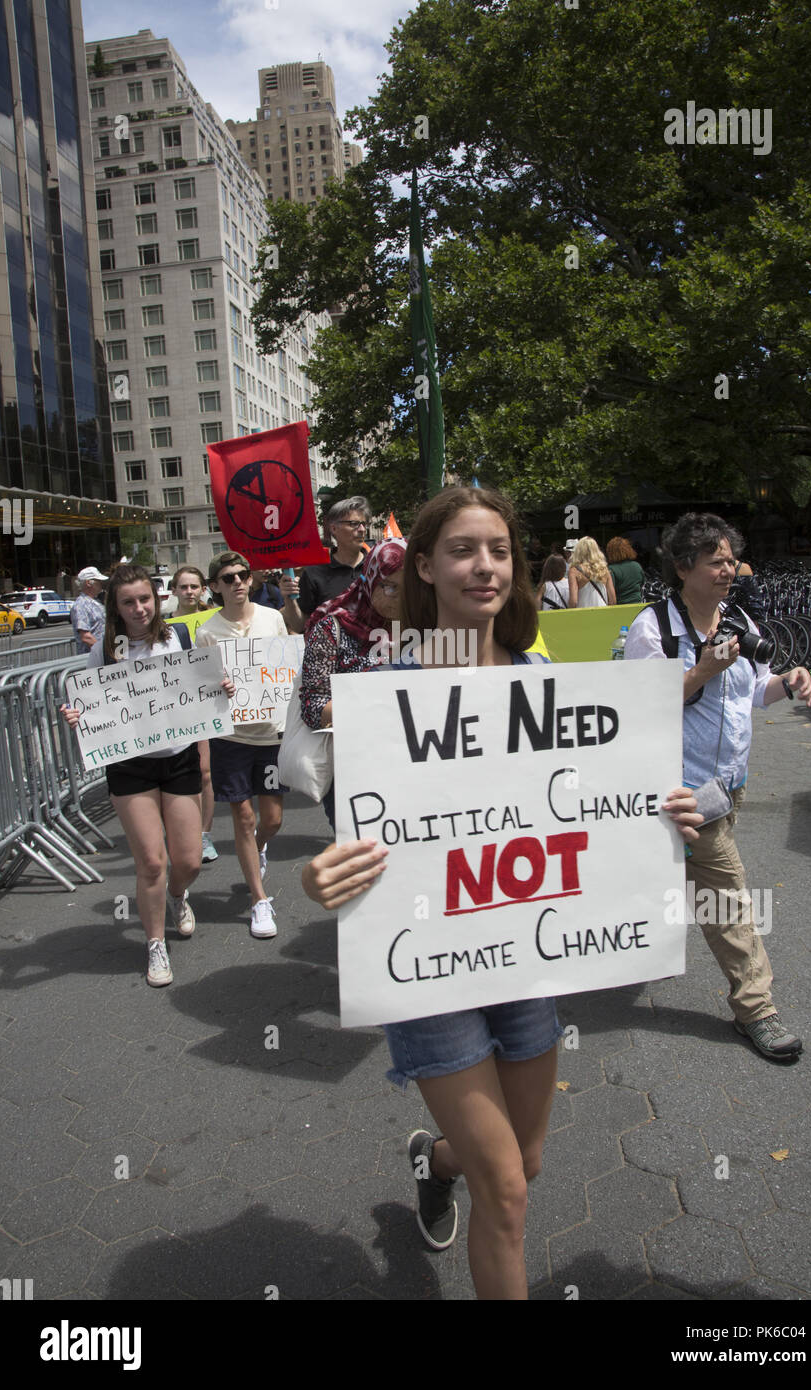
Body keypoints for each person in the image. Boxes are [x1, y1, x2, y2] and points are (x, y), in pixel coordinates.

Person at [300, 485, 702, 1299]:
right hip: (432, 964)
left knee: (528, 1161)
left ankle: (433, 1159)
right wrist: (323, 877)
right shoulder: (391, 692)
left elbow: (594, 799)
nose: (483, 565)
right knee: (510, 1192)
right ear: (424, 566)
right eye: (461, 549)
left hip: (526, 955)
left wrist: (658, 813)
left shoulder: (543, 674)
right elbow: (362, 835)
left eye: (499, 550)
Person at [624, 513, 811, 1060]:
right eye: (716, 561)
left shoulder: (738, 619)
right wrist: (701, 670)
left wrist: (789, 682)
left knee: (684, 884)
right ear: (684, 568)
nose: (729, 569)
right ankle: (758, 1010)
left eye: (731, 559)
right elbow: (644, 711)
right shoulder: (652, 629)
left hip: (731, 784)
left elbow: (756, 692)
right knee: (729, 899)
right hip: (682, 792)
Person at [60, 565, 234, 987]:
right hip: (129, 765)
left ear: (155, 600)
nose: (138, 608)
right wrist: (75, 715)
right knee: (152, 862)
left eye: (144, 599)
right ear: (115, 607)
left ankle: (179, 896)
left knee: (189, 860)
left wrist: (222, 687)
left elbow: (201, 686)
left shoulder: (177, 638)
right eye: (128, 602)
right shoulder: (104, 650)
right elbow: (88, 701)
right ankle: (155, 943)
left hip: (177, 759)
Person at [195, 552, 290, 939]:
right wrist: (218, 687)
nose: (237, 582)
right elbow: (201, 685)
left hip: (271, 734)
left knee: (272, 820)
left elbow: (288, 668)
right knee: (244, 818)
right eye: (228, 577)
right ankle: (258, 901)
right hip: (232, 737)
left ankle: (259, 847)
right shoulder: (207, 631)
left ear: (251, 579)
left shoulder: (273, 618)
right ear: (215, 586)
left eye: (243, 575)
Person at [299, 540, 407, 828]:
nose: (401, 598)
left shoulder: (425, 629)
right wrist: (373, 709)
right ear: (370, 581)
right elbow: (313, 705)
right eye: (391, 587)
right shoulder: (332, 627)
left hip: (411, 763)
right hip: (353, 768)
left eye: (412, 589)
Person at [168, 567, 221, 862]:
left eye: (194, 586)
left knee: (204, 771)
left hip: (203, 701)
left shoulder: (214, 621)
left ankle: (204, 834)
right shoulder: (163, 626)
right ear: (174, 590)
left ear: (203, 589)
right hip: (173, 705)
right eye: (183, 586)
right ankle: (181, 834)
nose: (189, 591)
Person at [298, 497, 371, 621]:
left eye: (364, 524)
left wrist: (396, 638)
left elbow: (394, 614)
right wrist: (289, 599)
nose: (362, 530)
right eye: (354, 524)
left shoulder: (377, 567)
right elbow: (300, 625)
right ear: (333, 528)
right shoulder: (313, 574)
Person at [567, 537, 616, 608]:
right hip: (603, 612)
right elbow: (612, 600)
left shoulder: (574, 571)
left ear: (578, 551)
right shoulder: (604, 570)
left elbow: (573, 601)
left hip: (584, 614)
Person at [69, 567, 107, 653]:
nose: (101, 584)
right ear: (88, 583)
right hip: (92, 658)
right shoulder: (81, 605)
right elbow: (86, 636)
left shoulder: (96, 601)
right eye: (98, 581)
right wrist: (105, 653)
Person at [605, 538, 645, 604]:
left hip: (620, 607)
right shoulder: (637, 566)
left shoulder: (611, 570)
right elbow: (642, 584)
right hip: (638, 604)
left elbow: (610, 593)